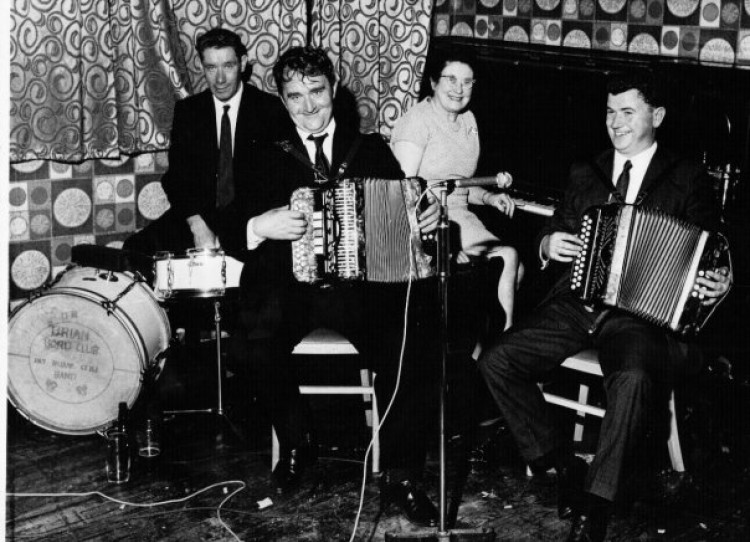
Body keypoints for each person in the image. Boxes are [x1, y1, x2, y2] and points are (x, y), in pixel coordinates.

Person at [477, 70, 732, 542]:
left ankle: (598, 502)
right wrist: (549, 243)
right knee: (497, 360)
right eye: (610, 111)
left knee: (633, 377)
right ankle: (561, 464)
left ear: (656, 116)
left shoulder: (687, 176)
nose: (615, 123)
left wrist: (724, 277)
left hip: (637, 316)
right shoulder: (586, 171)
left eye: (627, 112)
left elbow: (711, 248)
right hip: (577, 303)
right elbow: (553, 228)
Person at [232, 46, 442, 526]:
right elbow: (233, 221)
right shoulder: (262, 152)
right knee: (249, 343)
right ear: (281, 100)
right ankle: (298, 442)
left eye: (316, 93)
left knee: (413, 341)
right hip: (291, 288)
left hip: (359, 289)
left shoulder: (367, 147)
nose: (307, 107)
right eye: (294, 97)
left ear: (334, 87)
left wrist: (425, 216)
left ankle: (401, 476)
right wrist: (260, 225)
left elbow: (407, 206)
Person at [390, 49, 524, 331]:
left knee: (515, 272)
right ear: (433, 82)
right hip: (431, 225)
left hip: (462, 219)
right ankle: (502, 351)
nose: (459, 89)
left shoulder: (468, 120)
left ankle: (476, 352)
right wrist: (443, 246)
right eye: (451, 79)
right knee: (507, 258)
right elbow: (401, 194)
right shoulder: (417, 122)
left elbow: (459, 185)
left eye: (467, 81)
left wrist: (489, 196)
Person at [123, 27, 284, 258]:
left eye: (228, 66)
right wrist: (197, 225)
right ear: (201, 66)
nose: (219, 79)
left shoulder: (270, 110)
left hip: (250, 220)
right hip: (199, 215)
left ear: (243, 62)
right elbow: (176, 179)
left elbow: (274, 185)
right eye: (211, 67)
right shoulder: (189, 111)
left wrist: (234, 234)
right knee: (135, 249)